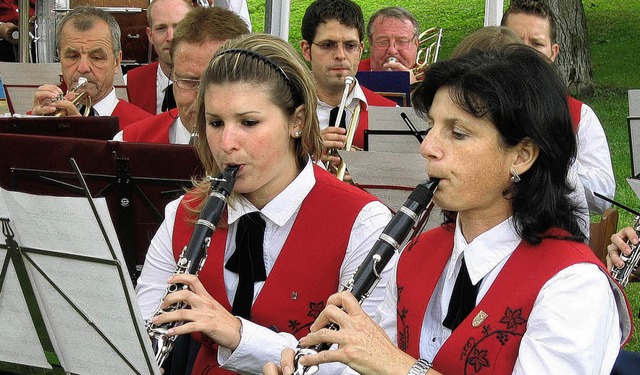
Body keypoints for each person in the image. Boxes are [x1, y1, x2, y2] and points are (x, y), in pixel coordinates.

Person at [264, 45, 633, 375]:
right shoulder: (416, 256)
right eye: (432, 127)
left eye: (458, 133)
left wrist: (394, 364)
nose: (428, 148)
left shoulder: (573, 286)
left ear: (521, 155)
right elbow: (367, 362)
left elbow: (387, 360)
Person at [135, 32, 393, 374]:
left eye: (249, 122)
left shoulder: (364, 224)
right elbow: (141, 330)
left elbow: (360, 366)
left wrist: (239, 335)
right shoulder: (183, 214)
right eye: (215, 123)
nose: (227, 142)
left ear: (297, 121)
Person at [501, 0, 615, 215]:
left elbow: (603, 199)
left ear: (553, 53)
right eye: (515, 41)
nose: (525, 52)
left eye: (536, 44)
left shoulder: (580, 115)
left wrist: (556, 155)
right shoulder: (477, 108)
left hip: (549, 235)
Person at [114, 6, 249, 144]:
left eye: (219, 81)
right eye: (189, 81)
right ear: (172, 78)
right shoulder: (129, 142)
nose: (202, 100)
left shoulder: (268, 150)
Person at [300, 0, 396, 165]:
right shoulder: (284, 110)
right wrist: (302, 156)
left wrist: (367, 174)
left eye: (350, 45)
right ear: (307, 50)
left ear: (360, 50)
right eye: (328, 45)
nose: (340, 55)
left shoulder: (392, 114)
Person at [29, 6, 151, 129]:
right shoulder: (38, 118)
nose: (83, 68)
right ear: (60, 58)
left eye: (97, 57)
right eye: (72, 56)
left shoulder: (145, 127)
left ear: (116, 62)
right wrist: (33, 130)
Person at [124, 0, 192, 115]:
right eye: (161, 28)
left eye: (179, 27)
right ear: (150, 36)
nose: (170, 37)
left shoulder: (214, 81)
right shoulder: (128, 84)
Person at [358, 7, 422, 84]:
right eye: (383, 42)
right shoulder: (352, 74)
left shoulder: (432, 79)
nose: (392, 50)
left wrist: (415, 87)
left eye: (402, 41)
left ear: (416, 44)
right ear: (370, 43)